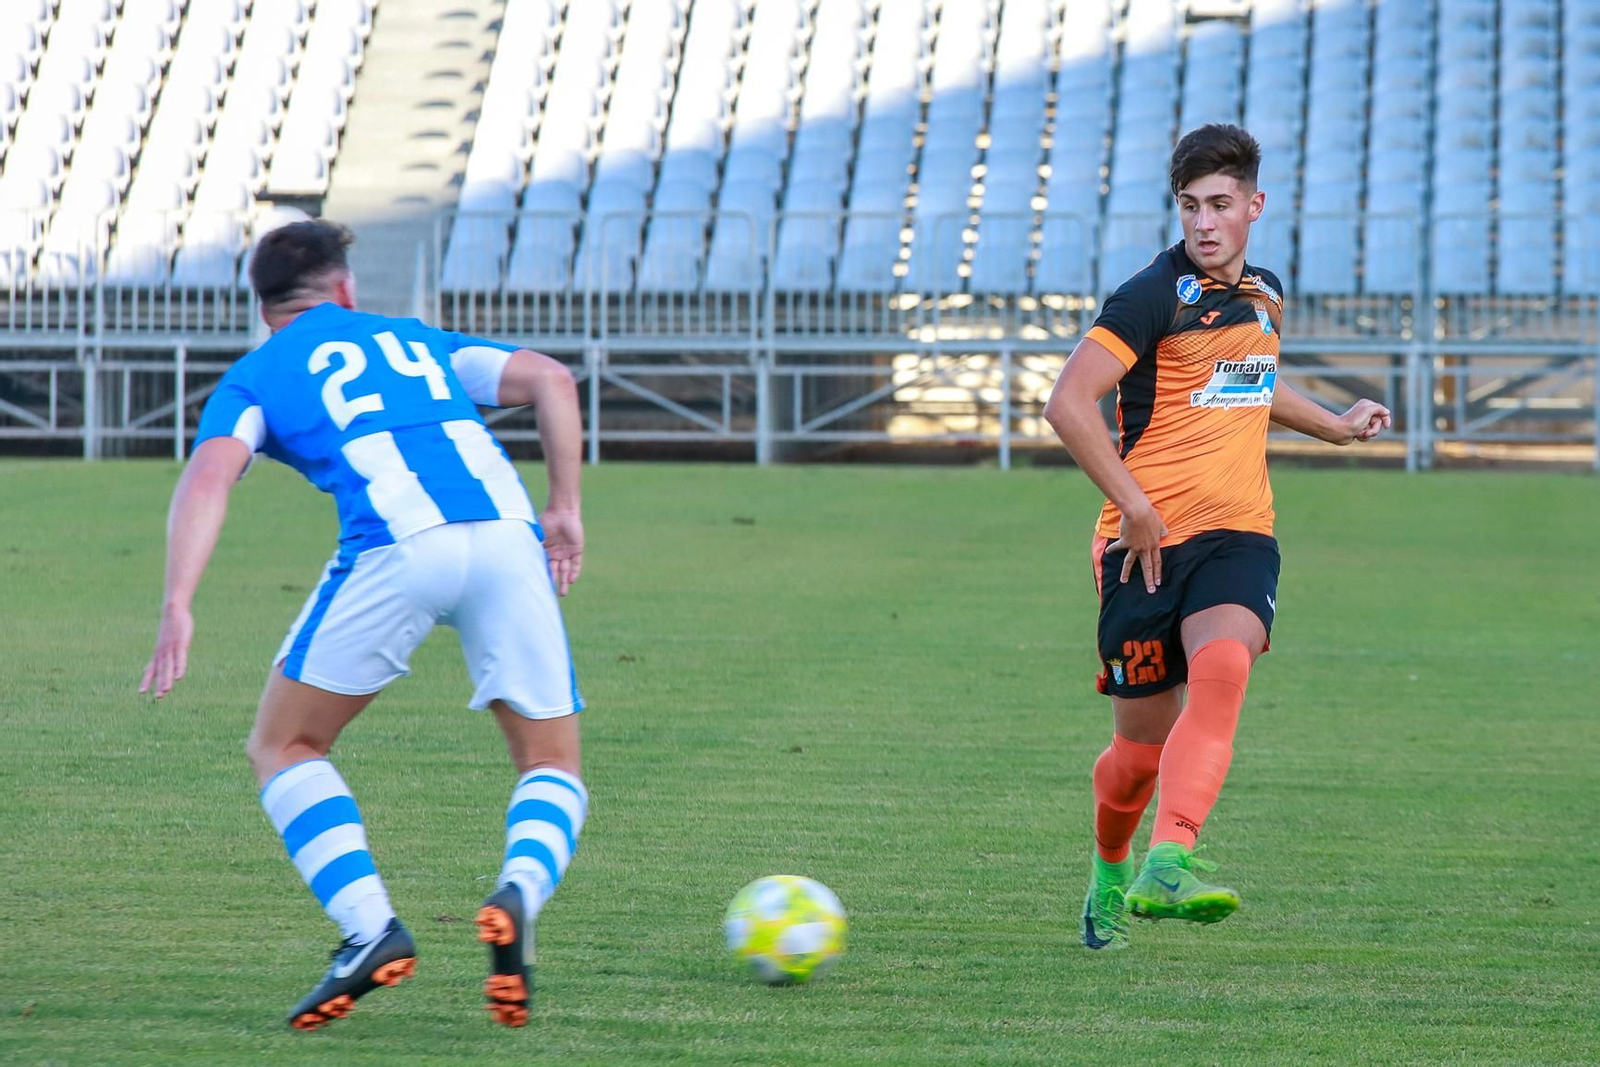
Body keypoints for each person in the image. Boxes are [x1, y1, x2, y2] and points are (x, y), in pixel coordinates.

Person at [139, 220, 588, 1028]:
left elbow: (210, 475)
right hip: (508, 539)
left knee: (284, 744)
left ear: (266, 306)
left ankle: (369, 928)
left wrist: (179, 597)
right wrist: (565, 508)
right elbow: (553, 378)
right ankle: (519, 889)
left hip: (397, 546)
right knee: (551, 759)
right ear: (346, 288)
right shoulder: (418, 341)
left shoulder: (257, 374)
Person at [1042, 125, 1392, 950]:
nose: (1205, 223)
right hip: (1145, 545)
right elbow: (1066, 402)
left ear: (1253, 207)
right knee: (1136, 755)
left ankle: (1172, 858)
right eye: (1191, 206)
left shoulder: (1264, 292)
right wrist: (1132, 504)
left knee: (1227, 662)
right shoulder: (1149, 296)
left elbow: (1248, 384)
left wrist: (1335, 427)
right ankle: (1109, 869)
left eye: (1221, 205)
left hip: (1239, 531)